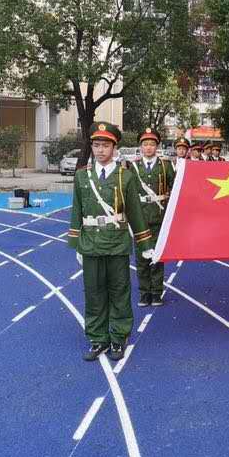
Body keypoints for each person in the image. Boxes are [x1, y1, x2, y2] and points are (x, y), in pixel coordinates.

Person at [68, 122, 155, 362]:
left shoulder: (125, 177)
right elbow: (76, 210)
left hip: (117, 243)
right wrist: (76, 244)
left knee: (119, 292)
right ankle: (98, 338)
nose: (100, 150)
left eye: (105, 145)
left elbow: (135, 212)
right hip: (91, 244)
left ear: (114, 148)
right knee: (94, 293)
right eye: (96, 145)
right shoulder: (81, 176)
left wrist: (145, 244)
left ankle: (118, 337)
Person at [132, 127, 175, 308]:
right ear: (140, 147)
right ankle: (144, 293)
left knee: (157, 257)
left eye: (152, 144)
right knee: (142, 258)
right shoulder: (132, 167)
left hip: (159, 218)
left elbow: (176, 187)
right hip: (140, 219)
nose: (148, 147)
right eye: (145, 144)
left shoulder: (165, 166)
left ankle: (156, 293)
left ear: (157, 146)